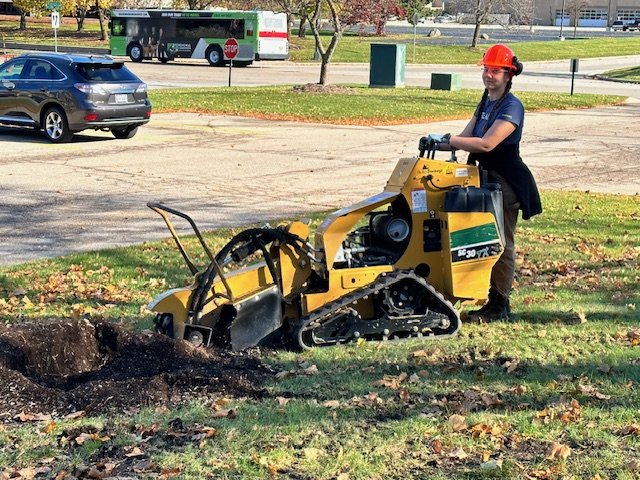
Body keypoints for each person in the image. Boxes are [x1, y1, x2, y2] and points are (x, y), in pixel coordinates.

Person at [435, 44, 542, 322]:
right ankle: (480, 294)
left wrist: (452, 140)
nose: (489, 75)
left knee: (502, 242)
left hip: (505, 183)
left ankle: (500, 303)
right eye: (486, 69)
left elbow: (486, 143)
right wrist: (437, 142)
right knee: (483, 239)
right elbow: (464, 135)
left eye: (496, 70)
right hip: (484, 180)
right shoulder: (485, 103)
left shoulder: (512, 106)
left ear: (508, 75)